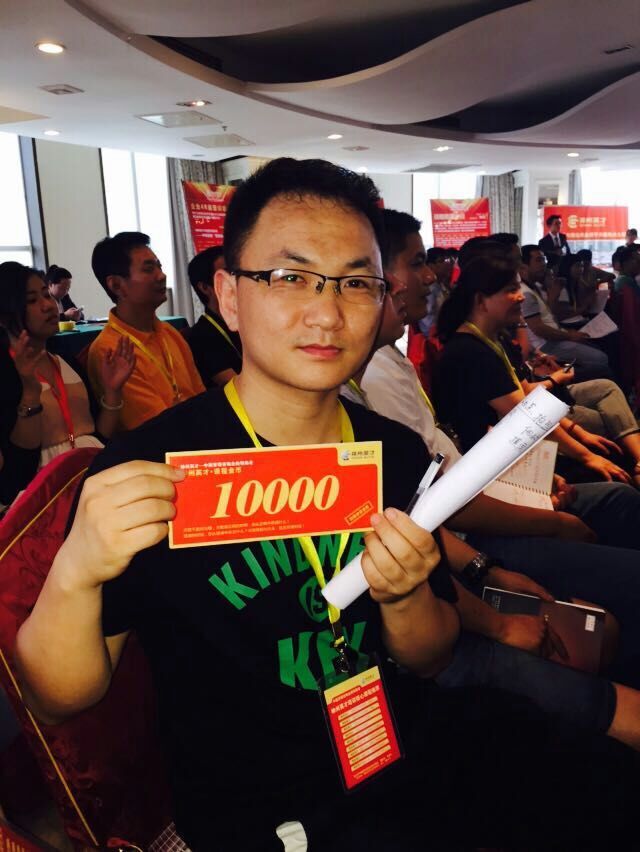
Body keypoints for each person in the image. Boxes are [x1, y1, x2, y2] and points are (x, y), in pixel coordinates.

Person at [14, 159, 640, 852]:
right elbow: (56, 700)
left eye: (355, 282)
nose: (327, 311)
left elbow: (429, 655)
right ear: (229, 296)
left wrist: (405, 594)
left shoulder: (393, 451)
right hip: (265, 814)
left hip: (412, 753)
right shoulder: (151, 468)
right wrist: (76, 571)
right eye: (290, 276)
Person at [0, 262, 134, 478]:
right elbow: (18, 468)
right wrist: (31, 393)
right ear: (4, 318)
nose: (48, 305)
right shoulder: (7, 372)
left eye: (46, 295)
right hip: (46, 489)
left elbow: (99, 437)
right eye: (32, 300)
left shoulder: (64, 360)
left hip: (92, 474)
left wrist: (112, 391)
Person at [88, 232, 206, 432]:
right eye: (149, 269)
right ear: (116, 285)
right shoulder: (110, 351)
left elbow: (201, 396)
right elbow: (155, 427)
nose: (161, 276)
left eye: (159, 267)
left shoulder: (169, 333)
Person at [520, 244, 612, 380]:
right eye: (538, 260)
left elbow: (549, 319)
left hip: (554, 337)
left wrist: (568, 333)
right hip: (545, 345)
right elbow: (540, 328)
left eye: (544, 260)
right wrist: (570, 336)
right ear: (524, 266)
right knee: (600, 358)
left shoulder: (535, 287)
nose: (543, 264)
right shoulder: (526, 293)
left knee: (600, 346)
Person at [186, 245, 242, 387]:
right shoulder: (201, 336)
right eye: (228, 273)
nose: (237, 279)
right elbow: (234, 386)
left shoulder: (247, 323)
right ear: (205, 287)